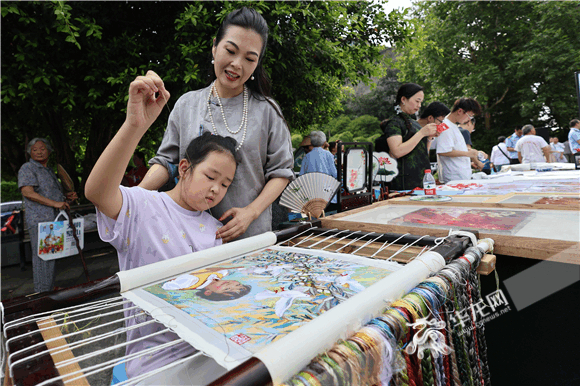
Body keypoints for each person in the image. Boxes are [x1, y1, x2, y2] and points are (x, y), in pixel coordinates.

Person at [84, 71, 240, 380]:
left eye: (225, 184)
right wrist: (135, 125)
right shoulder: (143, 206)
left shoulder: (214, 231)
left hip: (209, 353)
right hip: (154, 364)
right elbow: (97, 192)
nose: (215, 190)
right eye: (210, 177)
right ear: (184, 168)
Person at [139, 7, 294, 243]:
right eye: (230, 51)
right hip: (186, 239)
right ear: (215, 46)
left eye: (249, 59)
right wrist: (135, 198)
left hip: (250, 239)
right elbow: (166, 162)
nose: (236, 64)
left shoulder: (268, 111)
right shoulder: (186, 104)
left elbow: (281, 173)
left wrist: (250, 213)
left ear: (257, 63)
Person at [18, 138, 77, 293]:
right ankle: (42, 293)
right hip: (40, 220)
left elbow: (53, 194)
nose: (39, 151)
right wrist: (55, 203)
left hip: (53, 219)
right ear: (29, 152)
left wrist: (66, 197)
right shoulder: (27, 168)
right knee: (42, 258)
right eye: (35, 149)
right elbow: (27, 192)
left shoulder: (49, 170)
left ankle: (49, 289)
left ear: (49, 151)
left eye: (42, 148)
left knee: (51, 255)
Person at [378, 83, 438, 190]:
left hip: (421, 180)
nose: (419, 105)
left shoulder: (415, 123)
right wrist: (422, 133)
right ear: (403, 99)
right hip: (404, 184)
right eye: (417, 101)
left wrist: (429, 138)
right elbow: (397, 151)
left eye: (420, 102)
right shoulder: (394, 123)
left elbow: (422, 153)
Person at [436, 98, 483, 183]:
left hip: (461, 176)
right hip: (454, 178)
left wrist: (470, 152)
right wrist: (467, 154)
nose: (469, 120)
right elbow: (443, 151)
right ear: (460, 111)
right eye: (470, 116)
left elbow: (456, 148)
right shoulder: (444, 125)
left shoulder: (454, 126)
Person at [299, 131, 338, 212]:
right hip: (327, 194)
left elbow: (301, 176)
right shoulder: (328, 155)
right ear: (324, 142)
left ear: (311, 143)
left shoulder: (306, 157)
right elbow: (334, 174)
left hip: (312, 195)